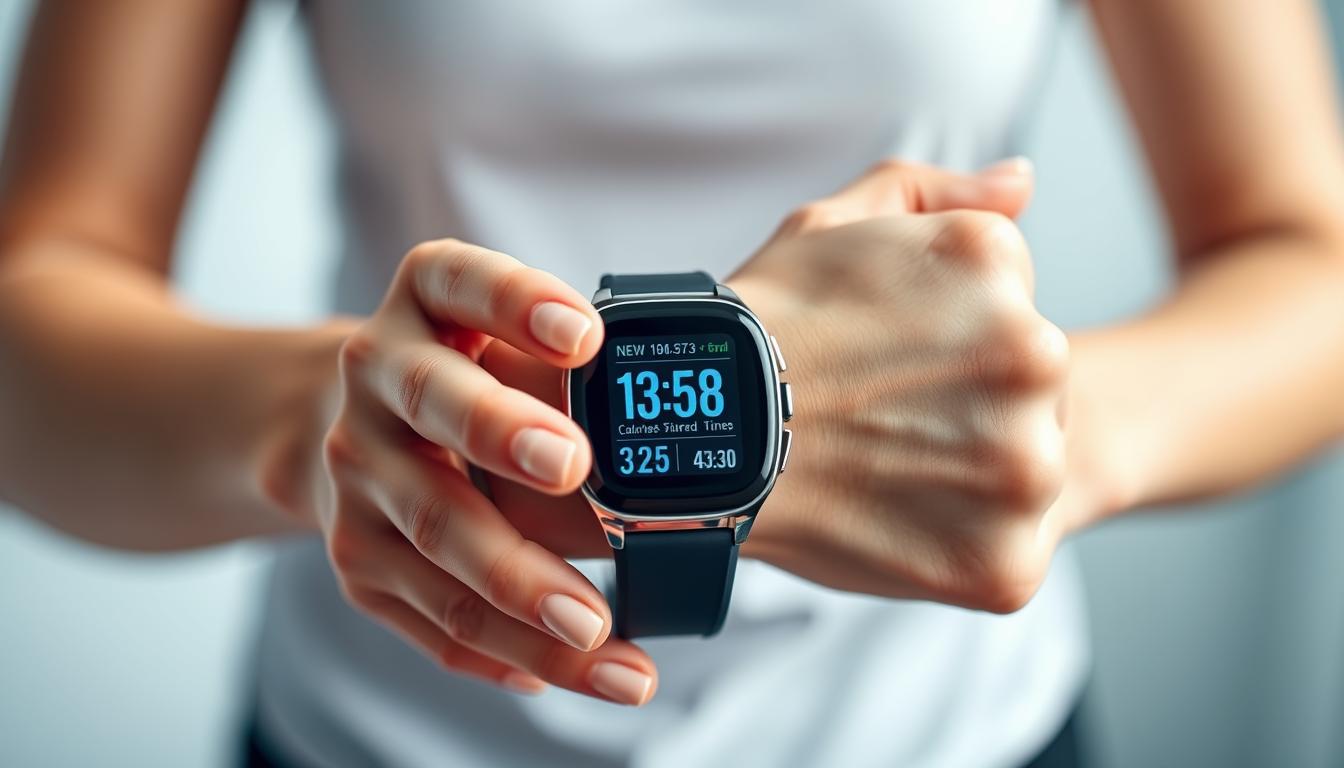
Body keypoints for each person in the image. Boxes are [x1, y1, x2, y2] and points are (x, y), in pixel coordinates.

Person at [3, 1, 1344, 766]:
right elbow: (30, 330)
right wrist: (328, 425)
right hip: (375, 732)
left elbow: (1310, 263)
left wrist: (1056, 435)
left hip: (946, 733)